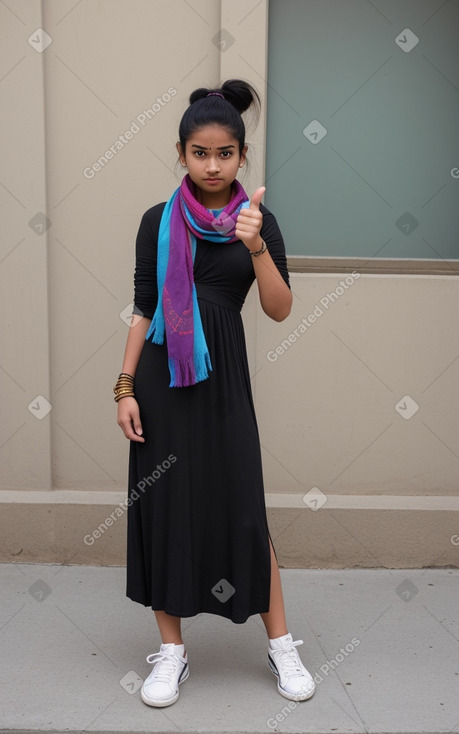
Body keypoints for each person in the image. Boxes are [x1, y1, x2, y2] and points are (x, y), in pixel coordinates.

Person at [115, 79, 315, 708]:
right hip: (161, 382)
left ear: (241, 156)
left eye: (223, 153)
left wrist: (253, 242)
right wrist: (124, 386)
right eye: (199, 153)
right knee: (165, 505)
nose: (211, 164)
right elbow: (145, 306)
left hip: (223, 379)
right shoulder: (158, 221)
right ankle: (172, 653)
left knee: (242, 508)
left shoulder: (258, 221)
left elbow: (281, 309)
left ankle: (281, 646)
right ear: (182, 153)